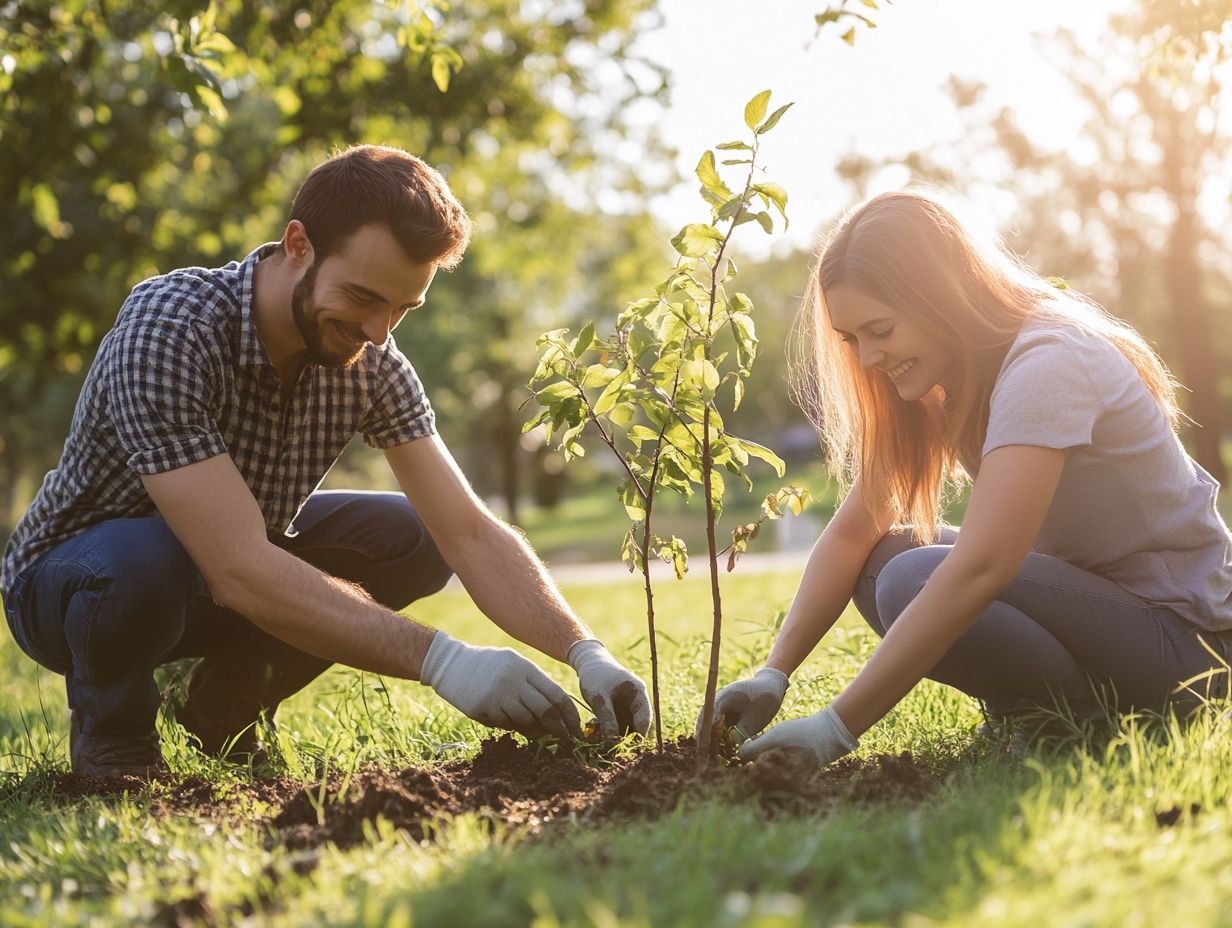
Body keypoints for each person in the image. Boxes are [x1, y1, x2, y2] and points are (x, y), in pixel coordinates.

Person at [1, 144, 650, 779]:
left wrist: (584, 650)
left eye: (403, 308)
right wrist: (445, 662)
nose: (379, 332)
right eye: (365, 297)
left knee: (412, 538)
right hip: (77, 581)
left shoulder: (373, 363)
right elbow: (237, 566)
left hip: (215, 577)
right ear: (297, 245)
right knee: (151, 554)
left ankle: (224, 705)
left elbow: (469, 533)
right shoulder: (171, 326)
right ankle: (116, 741)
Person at [704, 190, 1232, 770]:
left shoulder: (1046, 362)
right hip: (1104, 610)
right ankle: (1054, 709)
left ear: (942, 297)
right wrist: (773, 674)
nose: (867, 359)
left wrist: (836, 727)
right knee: (884, 556)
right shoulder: (951, 377)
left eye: (880, 329)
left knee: (910, 576)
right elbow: (854, 534)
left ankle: (1075, 723)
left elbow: (986, 564)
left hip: (1192, 650)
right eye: (852, 339)